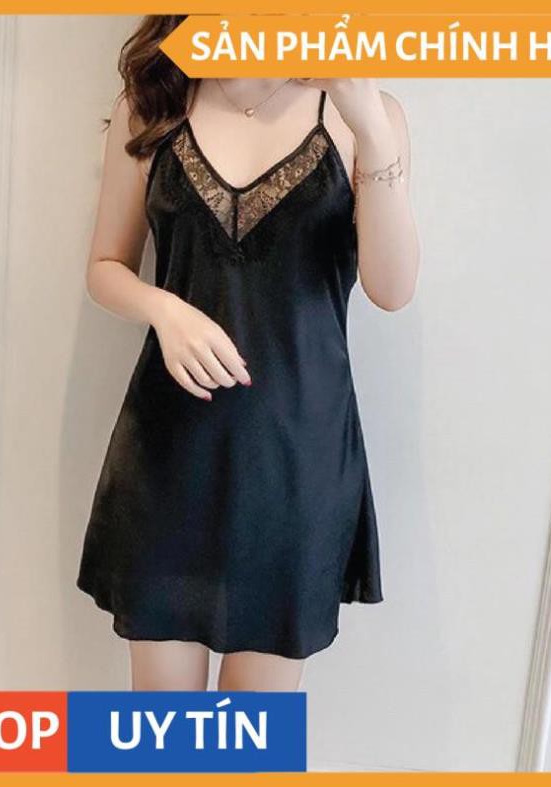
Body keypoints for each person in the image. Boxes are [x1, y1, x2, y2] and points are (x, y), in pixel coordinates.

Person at [76, 15, 419, 693]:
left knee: (251, 736)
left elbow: (392, 288)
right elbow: (105, 266)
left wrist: (371, 128)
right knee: (163, 736)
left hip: (295, 459)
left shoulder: (367, 113)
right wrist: (163, 309)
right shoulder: (155, 100)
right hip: (169, 453)